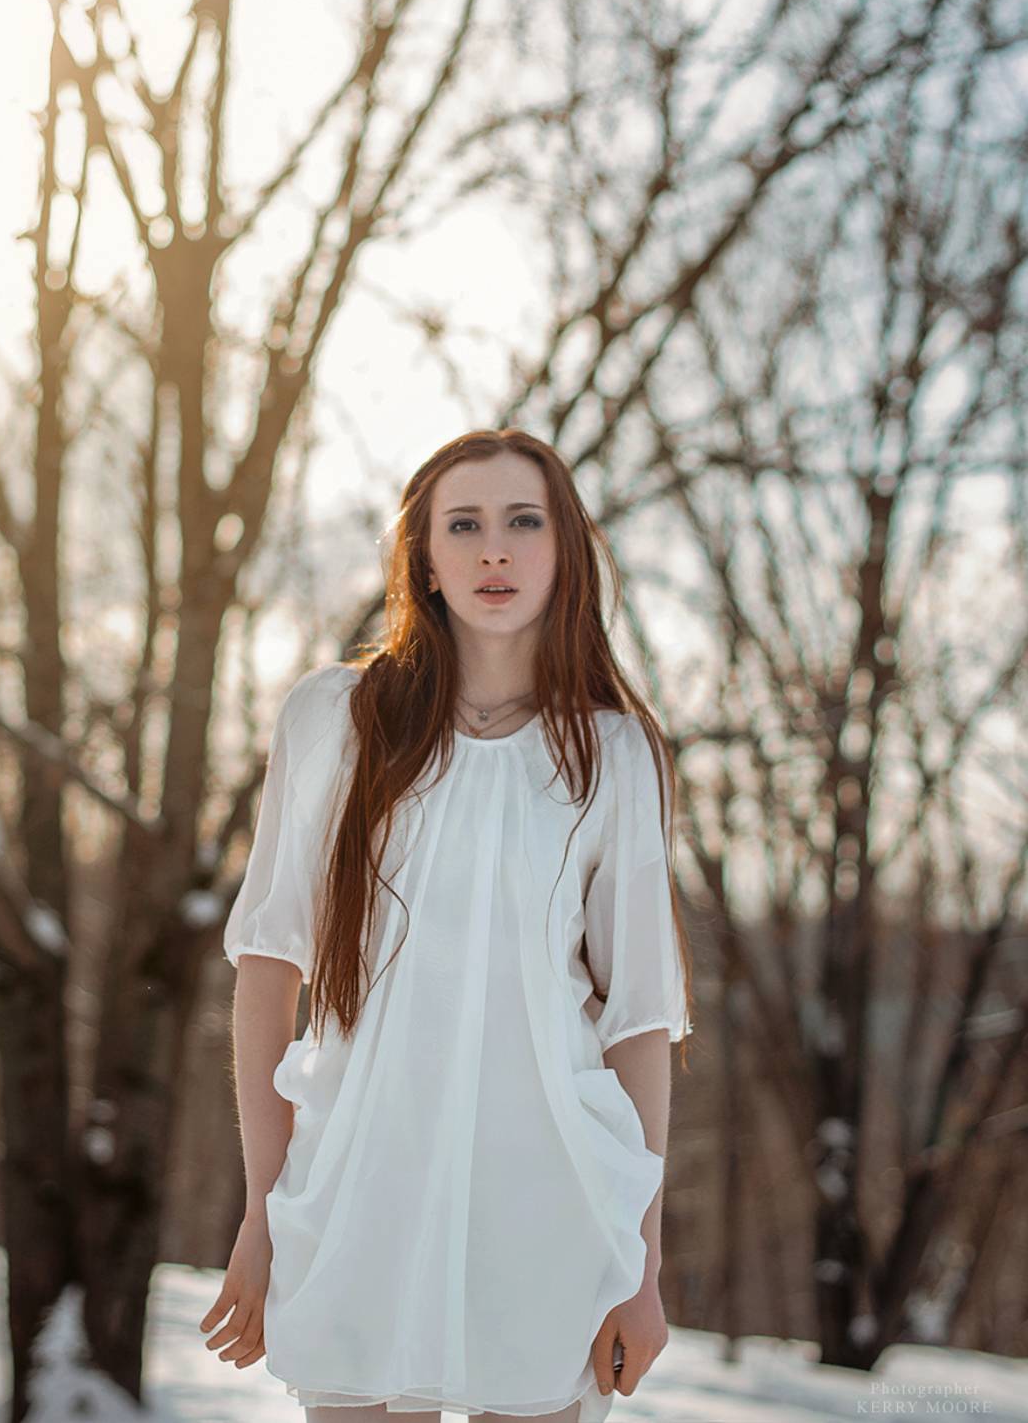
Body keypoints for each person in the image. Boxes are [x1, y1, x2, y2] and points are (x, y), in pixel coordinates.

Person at [199, 428, 694, 1423]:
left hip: (550, 1199)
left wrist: (640, 1261)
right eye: (462, 525)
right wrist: (261, 1210)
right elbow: (268, 970)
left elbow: (639, 1017)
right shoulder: (334, 720)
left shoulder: (613, 752)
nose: (494, 551)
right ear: (424, 557)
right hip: (357, 1193)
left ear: (565, 549)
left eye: (523, 521)